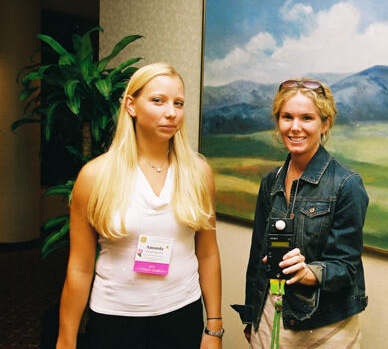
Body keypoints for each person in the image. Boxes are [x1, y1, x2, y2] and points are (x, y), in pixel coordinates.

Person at [56, 63, 223, 349]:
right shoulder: (95, 176)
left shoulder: (198, 172)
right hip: (115, 319)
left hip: (182, 314)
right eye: (158, 100)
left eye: (178, 103)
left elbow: (207, 253)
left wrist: (214, 327)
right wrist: (66, 338)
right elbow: (80, 267)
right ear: (131, 105)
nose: (171, 112)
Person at [234, 78, 369, 348]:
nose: (295, 127)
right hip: (270, 315)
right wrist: (251, 317)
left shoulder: (347, 184)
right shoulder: (270, 182)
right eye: (287, 117)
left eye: (307, 118)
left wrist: (310, 272)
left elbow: (346, 266)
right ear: (278, 122)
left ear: (325, 123)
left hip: (322, 323)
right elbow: (255, 257)